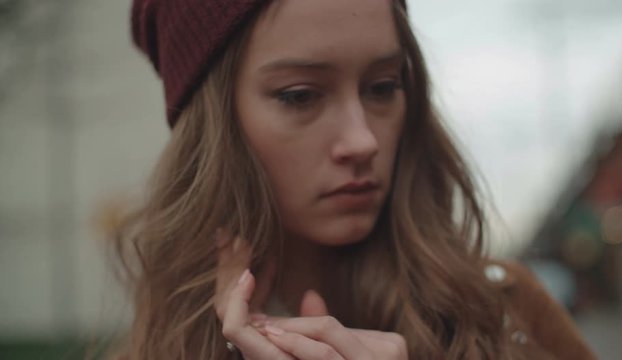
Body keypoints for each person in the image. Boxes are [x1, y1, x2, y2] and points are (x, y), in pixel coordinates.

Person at [119, 0, 596, 358]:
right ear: (214, 129)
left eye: (384, 86)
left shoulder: (502, 313)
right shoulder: (163, 344)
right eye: (300, 95)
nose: (363, 140)